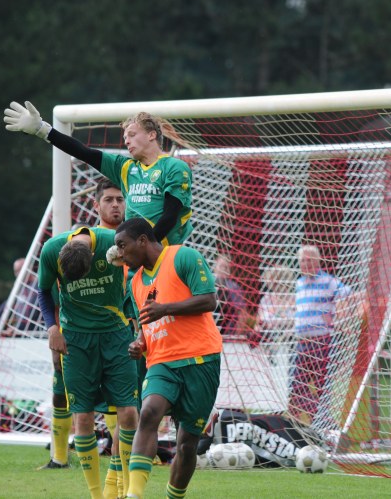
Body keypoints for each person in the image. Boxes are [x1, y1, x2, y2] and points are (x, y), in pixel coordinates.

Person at [37, 195, 138, 499]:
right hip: (76, 340)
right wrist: (52, 328)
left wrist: (135, 314)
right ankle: (97, 494)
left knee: (129, 413)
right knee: (81, 417)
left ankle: (116, 479)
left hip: (116, 335)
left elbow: (143, 269)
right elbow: (43, 290)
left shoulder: (113, 241)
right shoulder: (52, 249)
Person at [113, 218, 222, 499]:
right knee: (148, 413)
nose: (121, 255)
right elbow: (146, 327)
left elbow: (209, 300)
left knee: (187, 443)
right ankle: (133, 495)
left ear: (142, 241)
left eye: (123, 246)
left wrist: (166, 309)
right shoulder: (135, 282)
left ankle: (174, 496)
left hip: (200, 361)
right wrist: (139, 344)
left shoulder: (183, 256)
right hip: (161, 363)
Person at [4, 102, 193, 246]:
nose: (127, 141)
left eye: (132, 135)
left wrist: (144, 248)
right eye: (125, 138)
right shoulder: (125, 167)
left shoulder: (173, 166)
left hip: (165, 254)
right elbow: (85, 153)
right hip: (137, 259)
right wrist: (43, 130)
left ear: (152, 135)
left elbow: (170, 216)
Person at [289, 245, 351, 425]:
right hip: (302, 342)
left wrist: (337, 316)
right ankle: (318, 420)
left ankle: (322, 422)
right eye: (302, 260)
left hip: (321, 340)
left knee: (321, 384)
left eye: (309, 260)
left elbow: (349, 295)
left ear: (317, 261)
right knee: (298, 386)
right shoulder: (299, 283)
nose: (305, 263)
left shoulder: (329, 281)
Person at [257, 265, 296, 364]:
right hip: (268, 342)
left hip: (290, 343)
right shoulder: (266, 299)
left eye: (277, 279)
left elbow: (296, 320)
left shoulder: (294, 299)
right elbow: (262, 319)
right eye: (271, 279)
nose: (273, 283)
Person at [212, 255, 248, 335]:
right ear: (215, 267)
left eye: (226, 267)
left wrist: (237, 333)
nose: (224, 270)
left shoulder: (234, 287)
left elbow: (242, 312)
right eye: (221, 266)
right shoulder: (207, 283)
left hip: (228, 331)